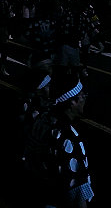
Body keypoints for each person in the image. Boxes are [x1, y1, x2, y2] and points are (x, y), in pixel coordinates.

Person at [23, 70, 93, 207]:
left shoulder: (41, 119)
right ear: (72, 102)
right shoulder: (69, 137)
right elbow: (77, 187)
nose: (85, 98)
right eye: (82, 95)